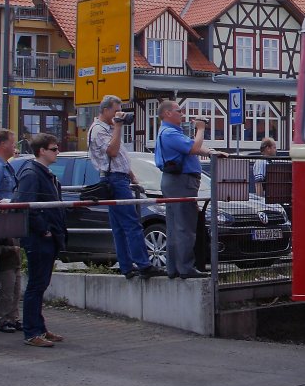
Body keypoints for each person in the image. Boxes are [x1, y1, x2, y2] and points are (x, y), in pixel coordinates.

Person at [88, 96, 162, 279]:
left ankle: (127, 266)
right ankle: (144, 264)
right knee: (131, 223)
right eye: (115, 111)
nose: (118, 115)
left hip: (119, 178)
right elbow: (112, 152)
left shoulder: (109, 129)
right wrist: (119, 126)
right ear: (105, 111)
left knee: (120, 226)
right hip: (114, 180)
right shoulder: (99, 130)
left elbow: (119, 156)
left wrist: (132, 176)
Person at [155, 100, 224, 279]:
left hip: (176, 181)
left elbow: (192, 147)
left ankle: (174, 268)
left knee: (175, 226)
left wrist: (211, 153)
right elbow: (193, 147)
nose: (182, 114)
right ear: (168, 113)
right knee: (185, 226)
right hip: (181, 182)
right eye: (179, 110)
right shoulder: (170, 133)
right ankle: (185, 268)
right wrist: (201, 129)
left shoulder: (170, 132)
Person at [13, 133, 66, 348]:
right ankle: (32, 332)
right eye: (54, 149)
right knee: (36, 284)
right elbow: (24, 204)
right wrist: (43, 229)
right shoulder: (32, 173)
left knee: (41, 283)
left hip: (48, 236)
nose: (57, 152)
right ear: (42, 151)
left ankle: (39, 327)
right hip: (39, 238)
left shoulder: (44, 173)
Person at [0, 128, 21, 333]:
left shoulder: (4, 165)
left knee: (15, 271)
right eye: (12, 142)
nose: (14, 146)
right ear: (2, 145)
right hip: (4, 224)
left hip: (11, 222)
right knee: (8, 271)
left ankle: (11, 314)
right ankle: (4, 316)